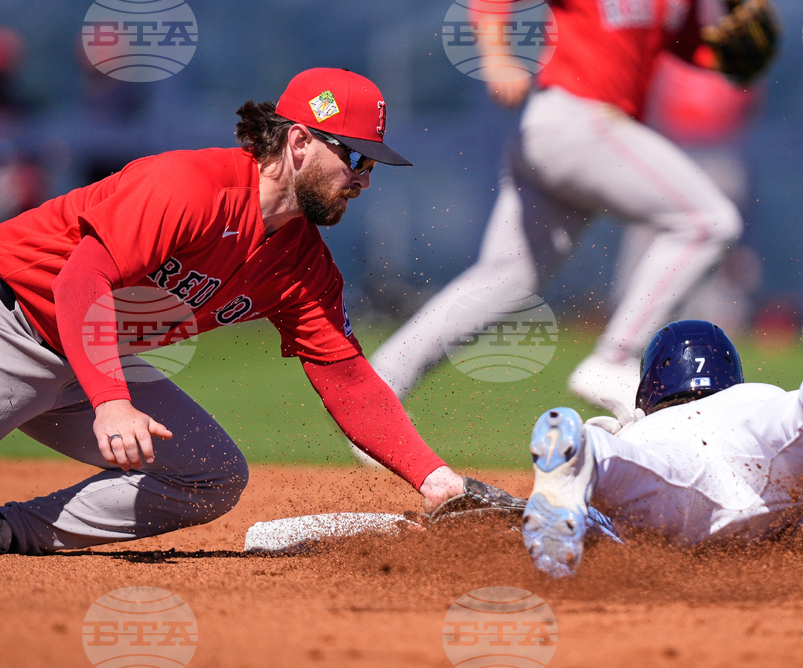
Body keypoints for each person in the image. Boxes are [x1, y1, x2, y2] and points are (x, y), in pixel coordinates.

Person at [0, 68, 522, 556]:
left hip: (89, 357)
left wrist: (439, 483)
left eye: (373, 164)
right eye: (355, 158)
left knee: (211, 476)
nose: (365, 179)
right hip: (14, 326)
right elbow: (79, 281)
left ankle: (11, 532)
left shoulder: (302, 263)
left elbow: (347, 379)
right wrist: (111, 401)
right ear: (299, 141)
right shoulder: (191, 187)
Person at [369, 0, 779, 413]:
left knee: (507, 279)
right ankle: (614, 358)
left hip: (582, 134)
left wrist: (724, 55)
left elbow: (690, 44)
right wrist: (496, 57)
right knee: (708, 221)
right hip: (573, 118)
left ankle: (378, 387)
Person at [520, 320, 803, 578]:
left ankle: (587, 450)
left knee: (627, 467)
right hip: (773, 454)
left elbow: (590, 532)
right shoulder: (756, 400)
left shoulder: (643, 431)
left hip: (682, 486)